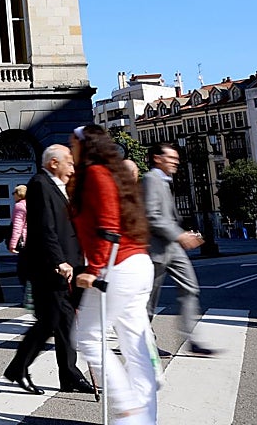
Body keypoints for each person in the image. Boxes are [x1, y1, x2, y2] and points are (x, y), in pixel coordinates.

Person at [71, 125, 158, 425]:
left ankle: (130, 410)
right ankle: (146, 416)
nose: (70, 148)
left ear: (86, 145)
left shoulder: (96, 173)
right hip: (136, 263)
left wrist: (93, 271)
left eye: (73, 143)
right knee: (135, 344)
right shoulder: (114, 174)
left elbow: (107, 226)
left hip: (116, 266)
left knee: (87, 337)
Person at [3, 145, 94, 395]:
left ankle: (66, 375)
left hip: (66, 265)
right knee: (53, 321)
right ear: (54, 162)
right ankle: (23, 368)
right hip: (48, 268)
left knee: (61, 322)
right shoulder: (40, 184)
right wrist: (59, 261)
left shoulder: (59, 186)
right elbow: (45, 228)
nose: (73, 168)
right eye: (69, 163)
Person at [143, 142, 217, 356]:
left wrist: (184, 233)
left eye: (176, 159)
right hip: (156, 248)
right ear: (158, 158)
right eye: (171, 158)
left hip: (173, 248)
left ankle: (191, 338)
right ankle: (143, 342)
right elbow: (152, 215)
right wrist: (179, 234)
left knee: (190, 288)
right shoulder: (151, 179)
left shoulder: (166, 181)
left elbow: (166, 216)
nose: (176, 162)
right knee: (149, 302)